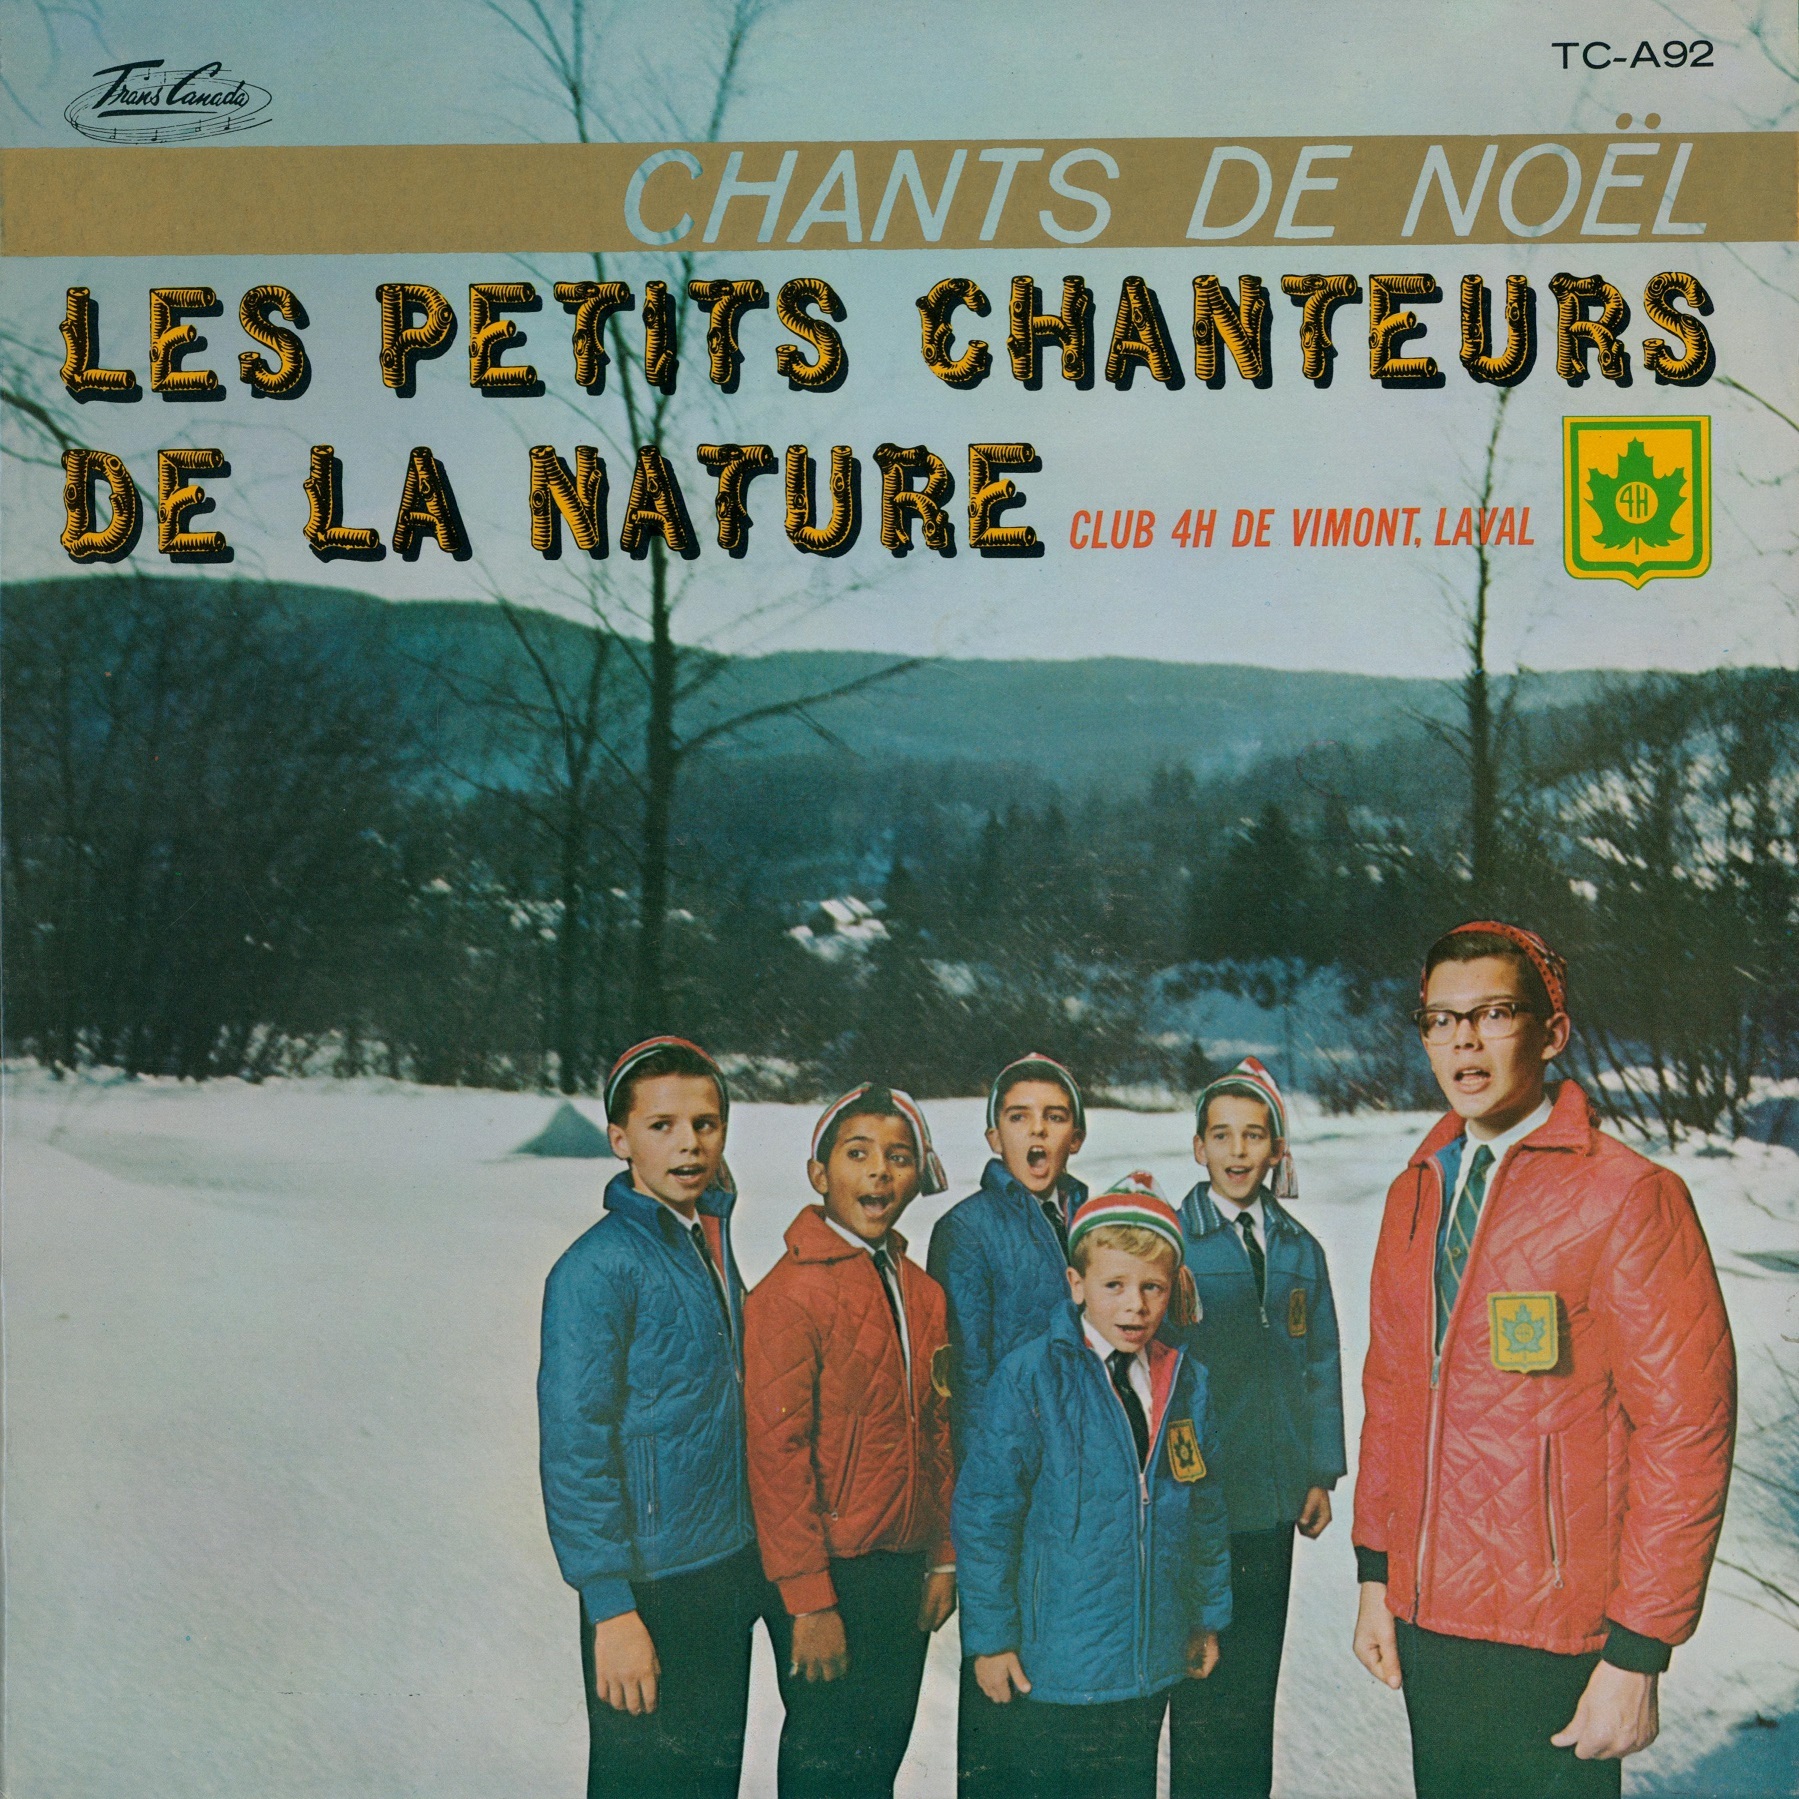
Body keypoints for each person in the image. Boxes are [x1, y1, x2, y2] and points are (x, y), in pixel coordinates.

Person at [1352, 922, 1736, 1799]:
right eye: (1439, 1019)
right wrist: (1377, 1572)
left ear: (1551, 1031)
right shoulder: (1416, 1190)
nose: (1463, 1041)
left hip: (1556, 1632)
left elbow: (1686, 1429)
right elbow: (1392, 1394)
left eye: (1492, 1013)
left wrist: (1637, 1651)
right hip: (1429, 1618)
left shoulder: (1628, 1195)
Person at [953, 1178, 1232, 1799]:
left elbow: (1204, 1512)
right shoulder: (1031, 1376)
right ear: (1076, 1285)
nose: (1136, 1306)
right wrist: (991, 1640)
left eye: (1153, 1287)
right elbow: (986, 1516)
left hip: (1147, 1657)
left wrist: (1204, 1619)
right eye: (1115, 1286)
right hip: (1054, 1661)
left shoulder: (1186, 1381)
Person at [537, 1036, 764, 1799]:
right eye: (661, 1125)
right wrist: (611, 1608)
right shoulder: (596, 1267)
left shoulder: (708, 1241)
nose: (688, 1143)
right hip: (649, 1585)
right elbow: (575, 1446)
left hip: (722, 1570)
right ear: (619, 1137)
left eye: (705, 1123)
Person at [744, 1083, 959, 1799]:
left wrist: (942, 1554)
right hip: (832, 1573)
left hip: (902, 1564)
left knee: (878, 1759)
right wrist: (808, 1602)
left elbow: (937, 1430)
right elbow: (776, 1456)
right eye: (857, 1154)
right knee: (827, 1762)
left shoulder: (923, 1293)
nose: (879, 1172)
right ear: (819, 1173)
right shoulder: (787, 1295)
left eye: (898, 1156)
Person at [1170, 1056, 1345, 1799]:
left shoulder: (1299, 1247)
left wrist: (1319, 1471)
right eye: (1221, 1135)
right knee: (1202, 1679)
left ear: (1277, 1148)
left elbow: (1320, 1363)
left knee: (1253, 1682)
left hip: (1273, 1499)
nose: (1237, 1151)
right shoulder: (1175, 1242)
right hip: (1201, 1498)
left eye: (1253, 1135)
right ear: (1198, 1147)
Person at [927, 1052, 1090, 1797]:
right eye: (1019, 1117)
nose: (1037, 1132)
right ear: (994, 1136)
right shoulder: (967, 1229)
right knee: (1002, 1687)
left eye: (1054, 1117)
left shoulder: (1095, 1220)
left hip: (1082, 1489)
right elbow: (966, 1385)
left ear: (1075, 1135)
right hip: (1013, 1489)